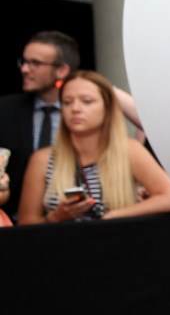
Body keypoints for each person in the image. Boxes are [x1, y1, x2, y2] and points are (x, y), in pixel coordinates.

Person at [1, 32, 149, 220]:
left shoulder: (87, 113)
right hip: (21, 223)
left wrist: (102, 89)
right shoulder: (5, 110)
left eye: (35, 63)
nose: (25, 69)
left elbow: (151, 127)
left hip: (93, 218)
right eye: (24, 61)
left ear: (62, 70)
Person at [17, 70, 170, 224]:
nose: (75, 109)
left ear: (107, 107)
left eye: (87, 102)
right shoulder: (43, 160)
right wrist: (57, 216)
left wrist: (113, 217)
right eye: (67, 102)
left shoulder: (129, 150)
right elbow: (25, 224)